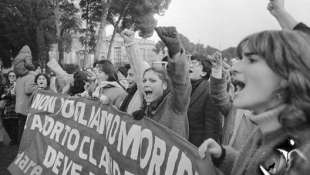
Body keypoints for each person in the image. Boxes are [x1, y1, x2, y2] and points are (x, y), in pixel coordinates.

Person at [199, 30, 310, 175]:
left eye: (251, 60)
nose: (234, 68)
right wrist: (223, 156)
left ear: (285, 75)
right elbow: (261, 169)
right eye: (241, 59)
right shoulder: (271, 131)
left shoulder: (299, 152)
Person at [132, 26, 191, 138]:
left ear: (164, 85)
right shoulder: (147, 107)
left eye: (152, 80)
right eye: (144, 80)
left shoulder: (175, 104)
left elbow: (180, 82)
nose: (146, 84)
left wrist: (175, 51)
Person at [187, 53, 222, 146]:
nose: (190, 65)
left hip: (196, 147)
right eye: (190, 62)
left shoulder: (209, 91)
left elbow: (211, 126)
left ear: (204, 72)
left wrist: (206, 149)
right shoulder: (184, 88)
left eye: (195, 64)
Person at [119, 30, 150, 115]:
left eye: (132, 74)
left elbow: (138, 65)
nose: (127, 78)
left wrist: (131, 44)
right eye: (128, 74)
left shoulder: (142, 92)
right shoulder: (131, 92)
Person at [13, 45, 37, 145]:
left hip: (18, 106)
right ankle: (22, 144)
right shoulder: (30, 76)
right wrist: (36, 87)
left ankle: (18, 143)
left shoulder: (18, 78)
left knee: (20, 125)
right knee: (24, 127)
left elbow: (15, 91)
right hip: (25, 107)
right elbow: (28, 90)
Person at [1, 71, 18, 145]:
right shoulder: (5, 86)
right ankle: (13, 139)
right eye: (10, 76)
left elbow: (13, 95)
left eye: (13, 76)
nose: (12, 77)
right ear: (8, 77)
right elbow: (3, 95)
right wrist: (7, 95)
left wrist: (6, 95)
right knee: (5, 124)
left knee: (14, 124)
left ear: (16, 77)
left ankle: (15, 140)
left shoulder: (18, 85)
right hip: (6, 108)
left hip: (15, 107)